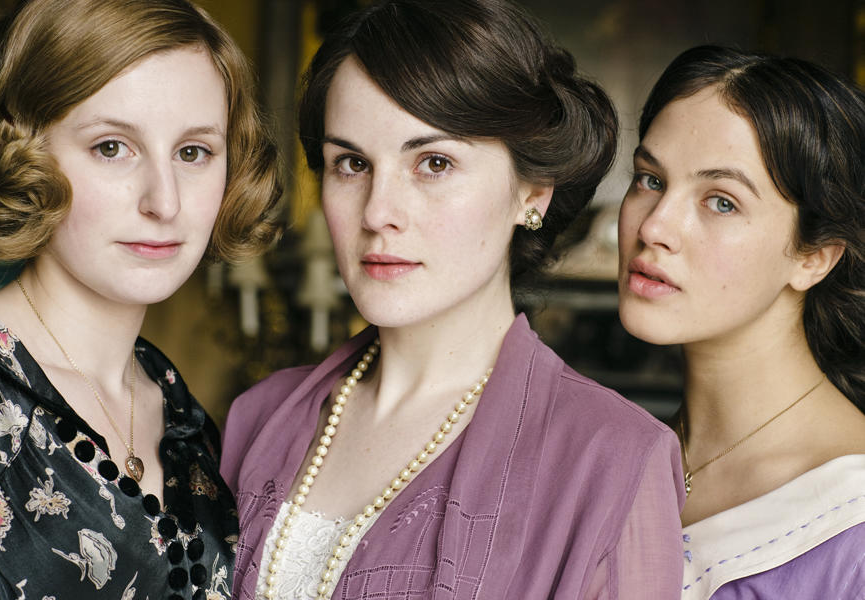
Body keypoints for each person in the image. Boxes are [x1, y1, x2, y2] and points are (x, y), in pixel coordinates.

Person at [220, 1, 685, 598]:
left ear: (533, 192)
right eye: (351, 164)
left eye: (434, 163)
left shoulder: (613, 459)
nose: (378, 213)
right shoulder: (258, 417)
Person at [0, 0, 281, 598]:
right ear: (24, 152)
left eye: (193, 153)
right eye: (113, 147)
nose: (164, 202)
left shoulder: (179, 412)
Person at [617, 45, 865, 599]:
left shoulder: (850, 525)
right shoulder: (621, 453)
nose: (655, 226)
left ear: (813, 257)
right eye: (650, 179)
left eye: (721, 201)